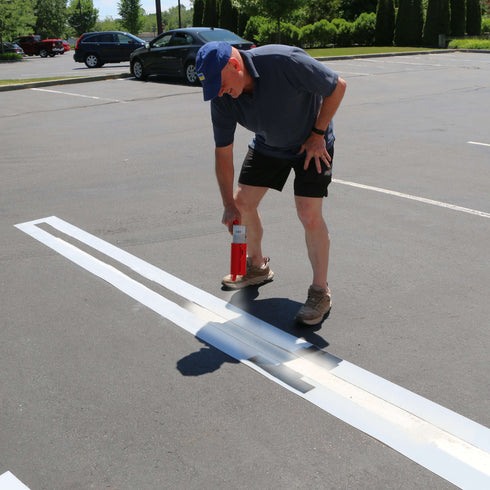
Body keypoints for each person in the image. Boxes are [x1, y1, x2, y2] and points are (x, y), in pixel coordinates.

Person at [195, 41, 346, 326]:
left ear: (235, 65)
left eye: (221, 83)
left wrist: (318, 133)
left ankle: (320, 292)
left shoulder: (283, 61)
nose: (219, 91)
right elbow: (223, 153)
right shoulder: (222, 98)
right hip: (268, 145)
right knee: (241, 204)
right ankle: (254, 266)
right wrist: (228, 204)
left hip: (311, 143)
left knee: (308, 214)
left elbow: (337, 86)